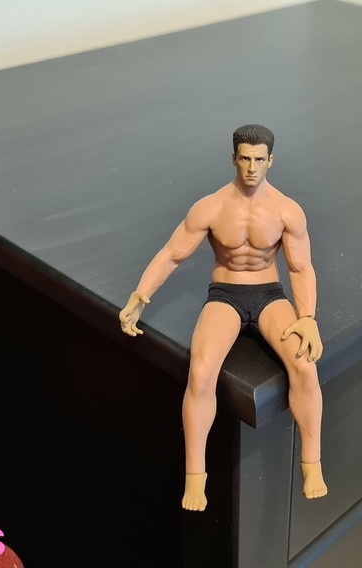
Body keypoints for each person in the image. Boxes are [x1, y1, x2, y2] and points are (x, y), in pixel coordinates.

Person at [119, 124, 327, 512]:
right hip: (226, 295)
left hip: (269, 295)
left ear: (271, 161)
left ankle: (311, 464)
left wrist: (308, 317)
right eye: (245, 159)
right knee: (201, 371)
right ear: (233, 158)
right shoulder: (210, 207)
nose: (251, 168)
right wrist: (141, 294)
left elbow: (301, 267)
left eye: (259, 160)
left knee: (304, 366)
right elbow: (172, 253)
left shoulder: (286, 210)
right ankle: (195, 476)